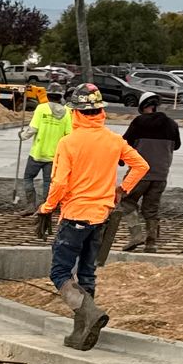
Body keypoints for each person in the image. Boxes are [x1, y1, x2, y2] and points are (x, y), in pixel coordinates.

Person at [39, 82, 147, 348]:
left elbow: (61, 183)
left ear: (75, 112)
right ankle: (82, 332)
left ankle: (90, 313)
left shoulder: (69, 142)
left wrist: (47, 207)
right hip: (102, 217)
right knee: (87, 274)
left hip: (76, 215)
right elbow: (141, 165)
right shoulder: (113, 140)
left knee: (60, 273)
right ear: (100, 111)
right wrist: (122, 190)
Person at [109, 89, 183, 252]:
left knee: (127, 201)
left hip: (139, 174)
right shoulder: (172, 124)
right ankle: (151, 244)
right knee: (151, 209)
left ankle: (136, 235)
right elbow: (176, 146)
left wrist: (121, 160)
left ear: (142, 107)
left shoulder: (139, 122)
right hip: (161, 176)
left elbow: (124, 144)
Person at [18, 81, 72, 211]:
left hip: (37, 153)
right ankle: (45, 206)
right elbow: (69, 135)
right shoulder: (66, 113)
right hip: (54, 156)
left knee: (28, 178)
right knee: (48, 182)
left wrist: (22, 136)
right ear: (61, 96)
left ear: (48, 95)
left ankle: (31, 205)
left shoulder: (41, 108)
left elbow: (32, 129)